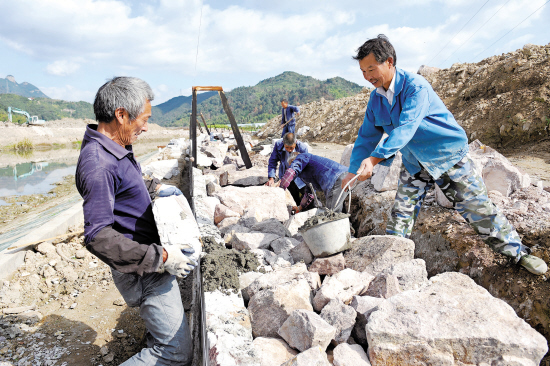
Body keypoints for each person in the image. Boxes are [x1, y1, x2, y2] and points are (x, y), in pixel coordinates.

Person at [342, 34, 547, 275]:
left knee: (477, 209)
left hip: (446, 156)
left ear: (389, 62)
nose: (367, 77)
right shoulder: (376, 99)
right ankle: (394, 265)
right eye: (363, 71)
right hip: (414, 162)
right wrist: (352, 171)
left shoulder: (415, 87)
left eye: (371, 69)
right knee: (401, 213)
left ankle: (519, 253)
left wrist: (375, 159)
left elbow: (406, 128)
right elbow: (366, 136)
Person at [76, 76, 195, 365]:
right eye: (144, 119)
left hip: (147, 256)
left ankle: (156, 334)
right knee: (174, 352)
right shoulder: (98, 163)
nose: (145, 127)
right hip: (143, 267)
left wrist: (155, 189)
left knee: (167, 334)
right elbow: (98, 235)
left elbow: (125, 186)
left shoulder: (113, 147)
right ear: (121, 114)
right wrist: (162, 256)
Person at [280, 152, 349, 213]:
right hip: (346, 176)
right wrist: (299, 207)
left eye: (291, 164)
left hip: (336, 178)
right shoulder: (308, 172)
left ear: (293, 161)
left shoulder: (302, 157)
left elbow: (291, 171)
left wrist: (280, 189)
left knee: (332, 214)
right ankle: (347, 226)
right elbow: (309, 193)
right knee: (339, 211)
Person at [266, 132, 309, 207]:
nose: (289, 150)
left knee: (307, 195)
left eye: (291, 148)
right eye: (287, 147)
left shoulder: (303, 148)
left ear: (295, 142)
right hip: (286, 175)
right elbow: (273, 161)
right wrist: (271, 178)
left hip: (299, 176)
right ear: (283, 143)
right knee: (292, 198)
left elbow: (305, 165)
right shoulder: (278, 145)